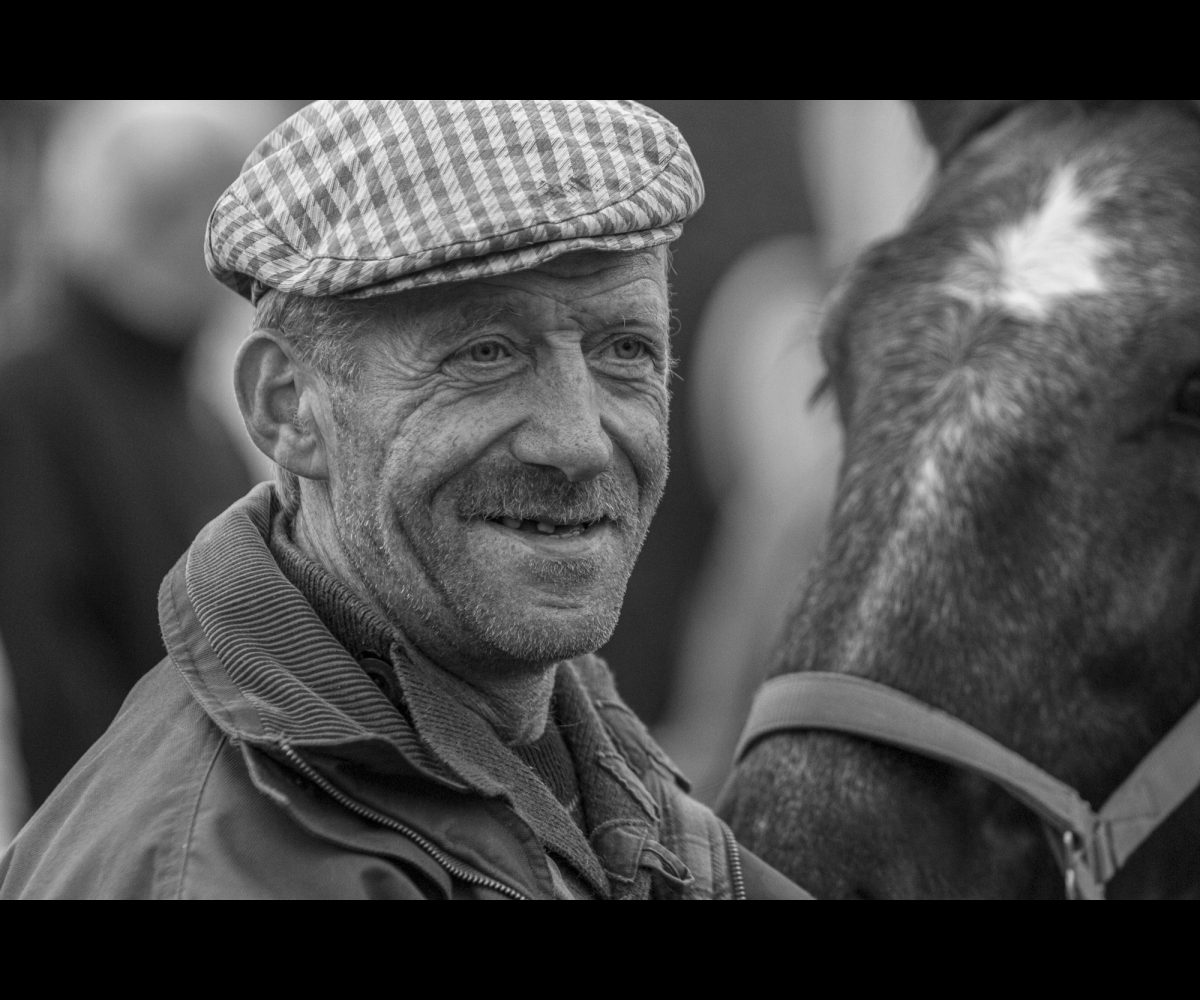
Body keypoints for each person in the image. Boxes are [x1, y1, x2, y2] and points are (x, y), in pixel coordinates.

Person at [0, 100, 812, 900]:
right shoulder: (215, 870)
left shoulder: (563, 741)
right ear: (288, 406)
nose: (579, 441)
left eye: (626, 349)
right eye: (487, 353)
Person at [0, 101, 265, 819]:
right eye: (217, 223)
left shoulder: (198, 410)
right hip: (123, 833)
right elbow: (51, 656)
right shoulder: (31, 398)